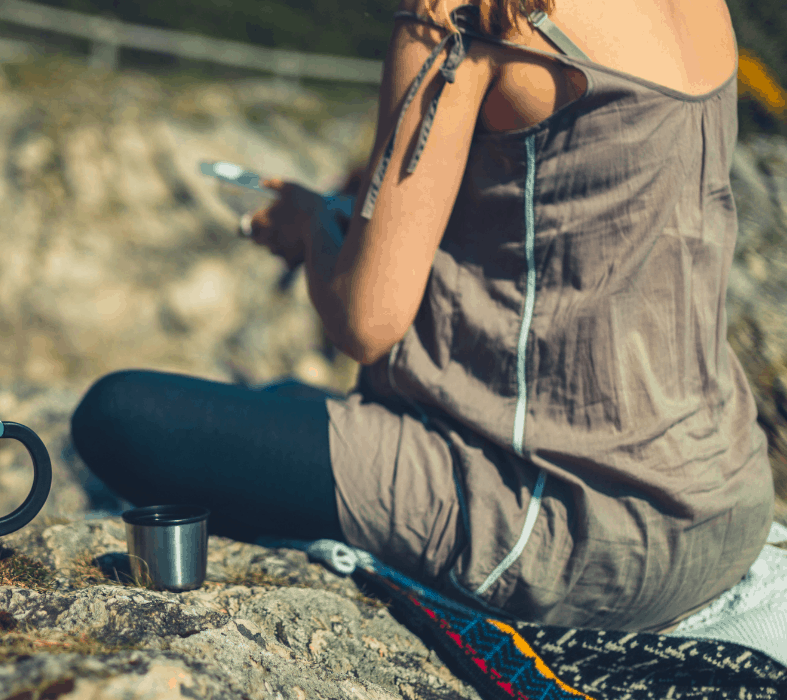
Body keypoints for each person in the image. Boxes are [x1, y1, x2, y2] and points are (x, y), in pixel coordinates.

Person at [70, 0, 775, 633]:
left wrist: (313, 228)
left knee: (120, 415)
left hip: (568, 525)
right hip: (720, 500)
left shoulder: (461, 19)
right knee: (280, 407)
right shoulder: (702, 8)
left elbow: (367, 321)